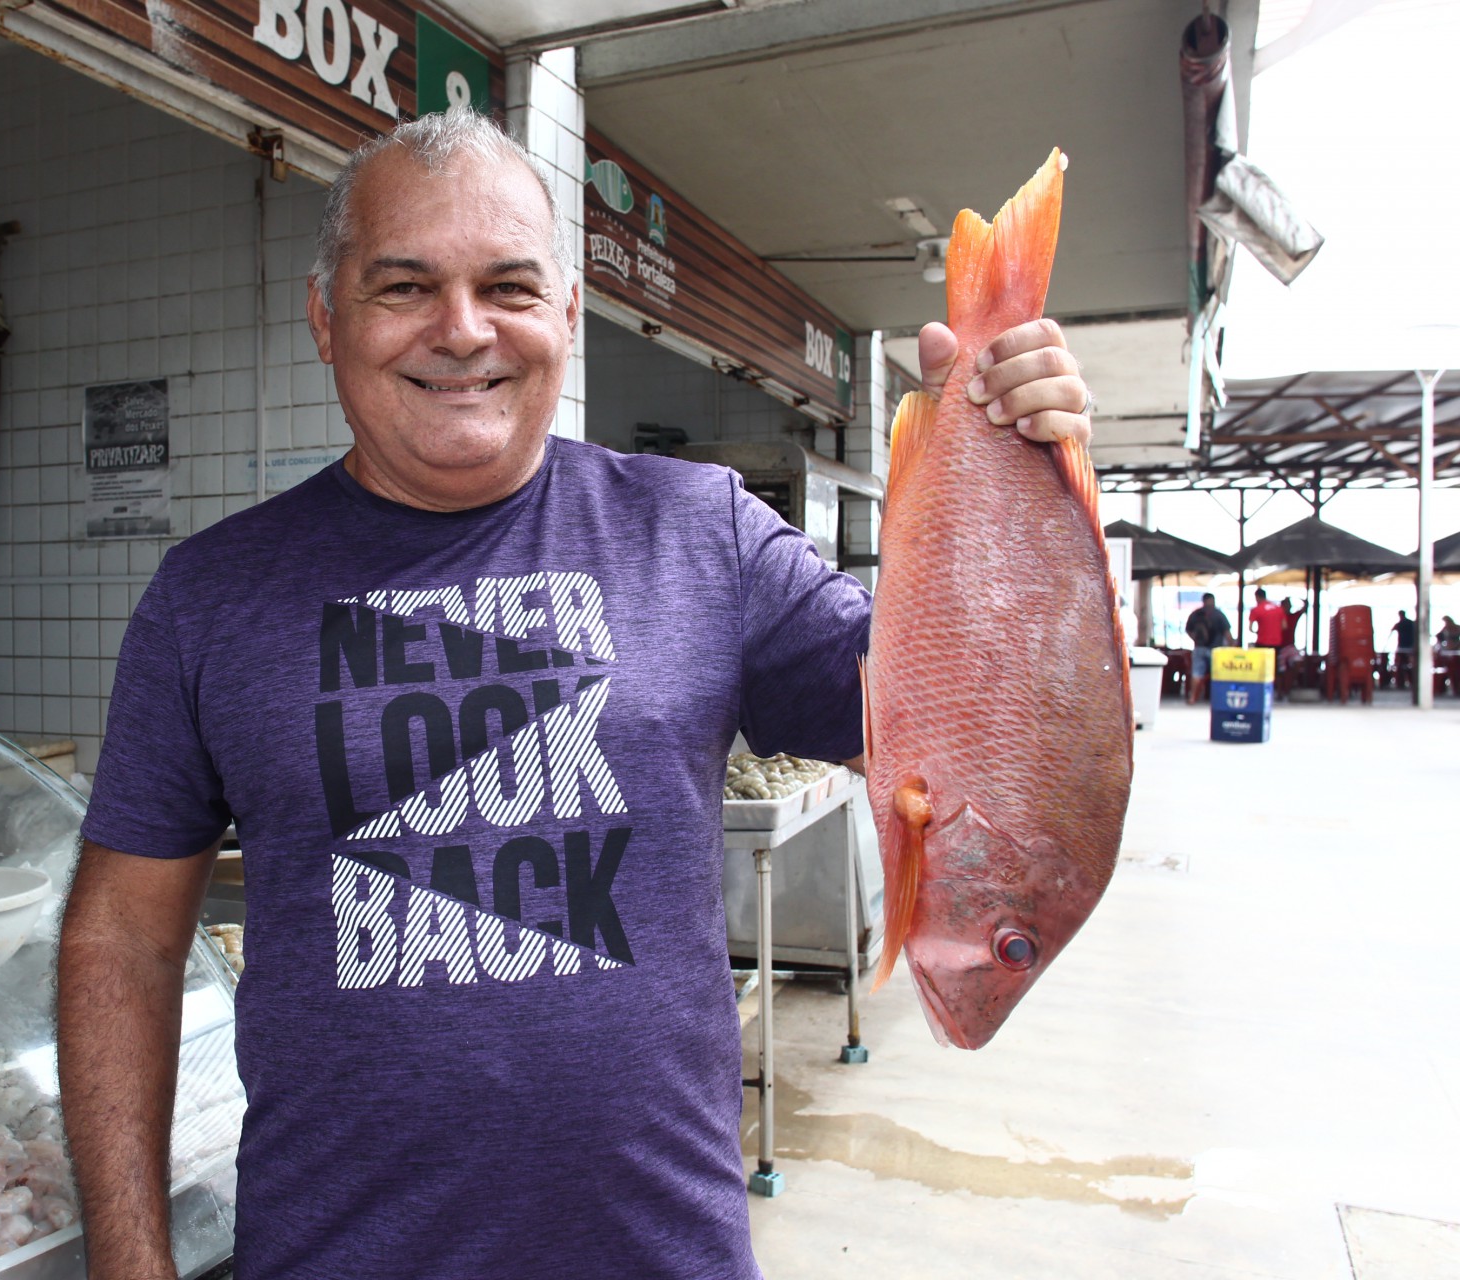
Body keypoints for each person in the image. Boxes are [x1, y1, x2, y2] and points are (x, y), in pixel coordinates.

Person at [55, 109, 1095, 1280]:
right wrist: (128, 1260)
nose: (462, 330)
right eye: (404, 286)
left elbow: (971, 729)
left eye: (508, 285)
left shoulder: (702, 531)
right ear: (325, 318)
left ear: (563, 314)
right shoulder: (209, 597)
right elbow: (122, 941)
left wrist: (1028, 468)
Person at [1184, 592, 1231, 704]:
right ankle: (1218, 698)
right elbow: (1227, 633)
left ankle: (1193, 698)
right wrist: (1232, 645)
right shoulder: (1219, 614)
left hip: (1199, 648)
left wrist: (1194, 639)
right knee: (1218, 674)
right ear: (1213, 600)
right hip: (1215, 650)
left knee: (1196, 673)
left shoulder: (1195, 614)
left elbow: (1188, 630)